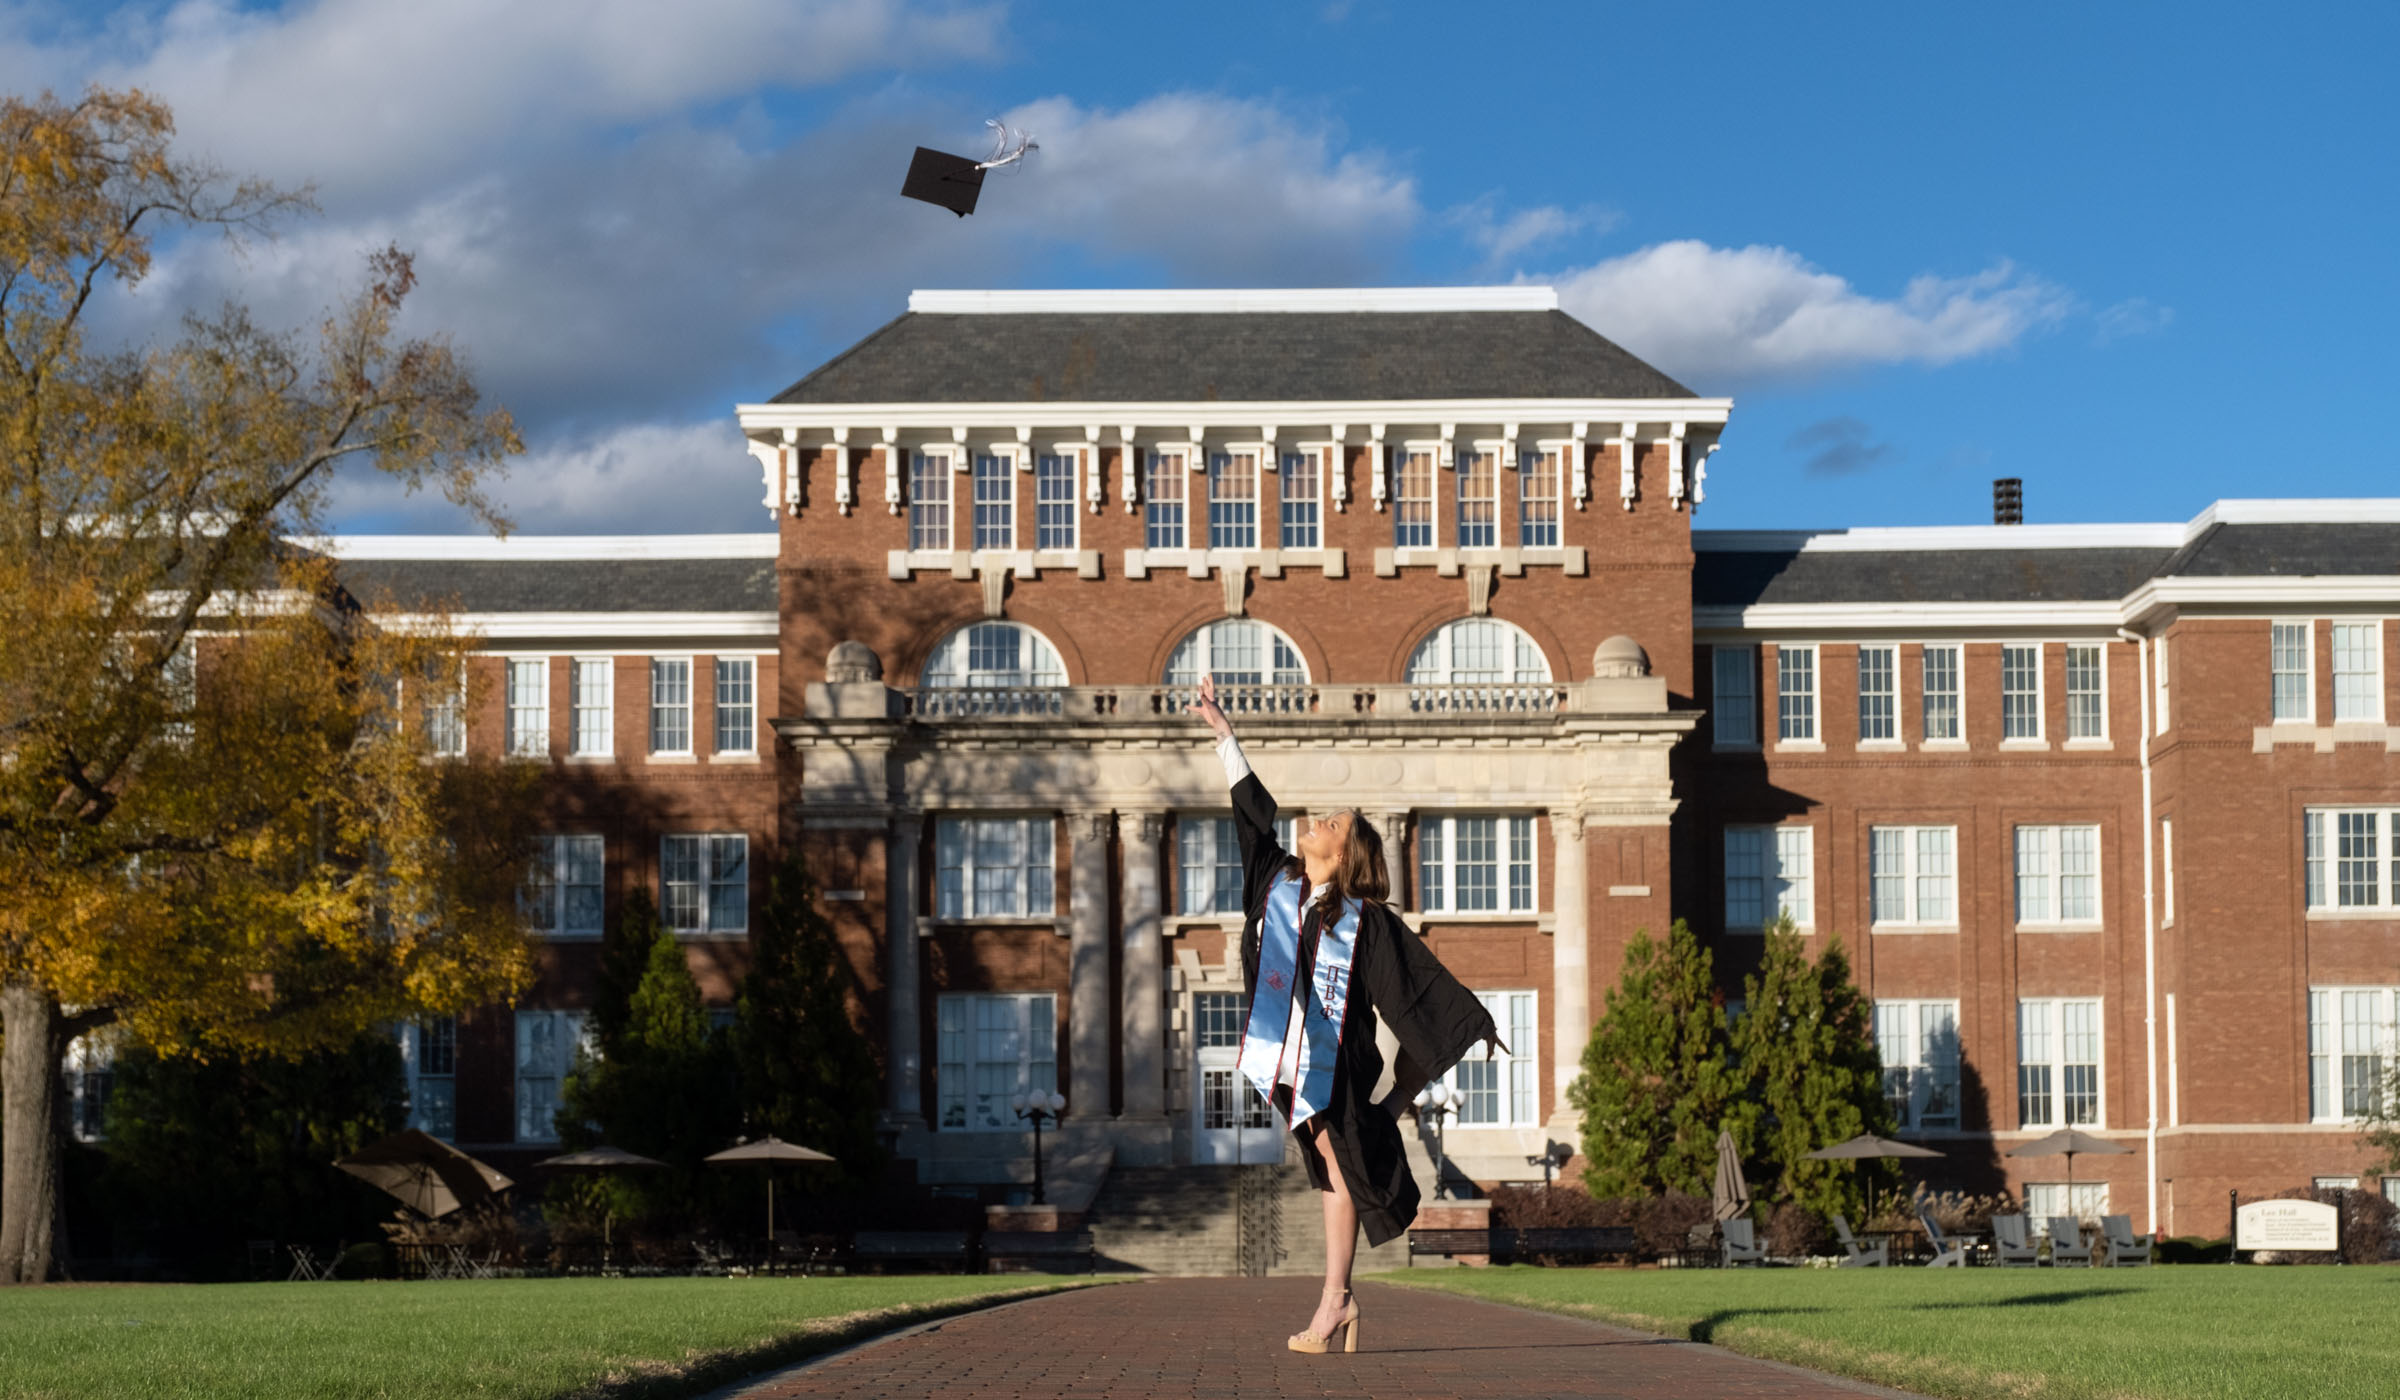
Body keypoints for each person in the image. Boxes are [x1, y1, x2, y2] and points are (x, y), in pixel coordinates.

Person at [1188, 674, 1503, 1355]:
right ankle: (1338, 1296)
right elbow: (1252, 818)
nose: (1318, 821)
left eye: (1331, 824)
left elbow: (1418, 996)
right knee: (1335, 1166)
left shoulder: (1366, 923)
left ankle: (1336, 1298)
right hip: (1290, 1059)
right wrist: (1225, 738)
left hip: (1335, 1064)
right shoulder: (1276, 883)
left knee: (1340, 1161)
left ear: (1342, 853)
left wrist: (1397, 1096)